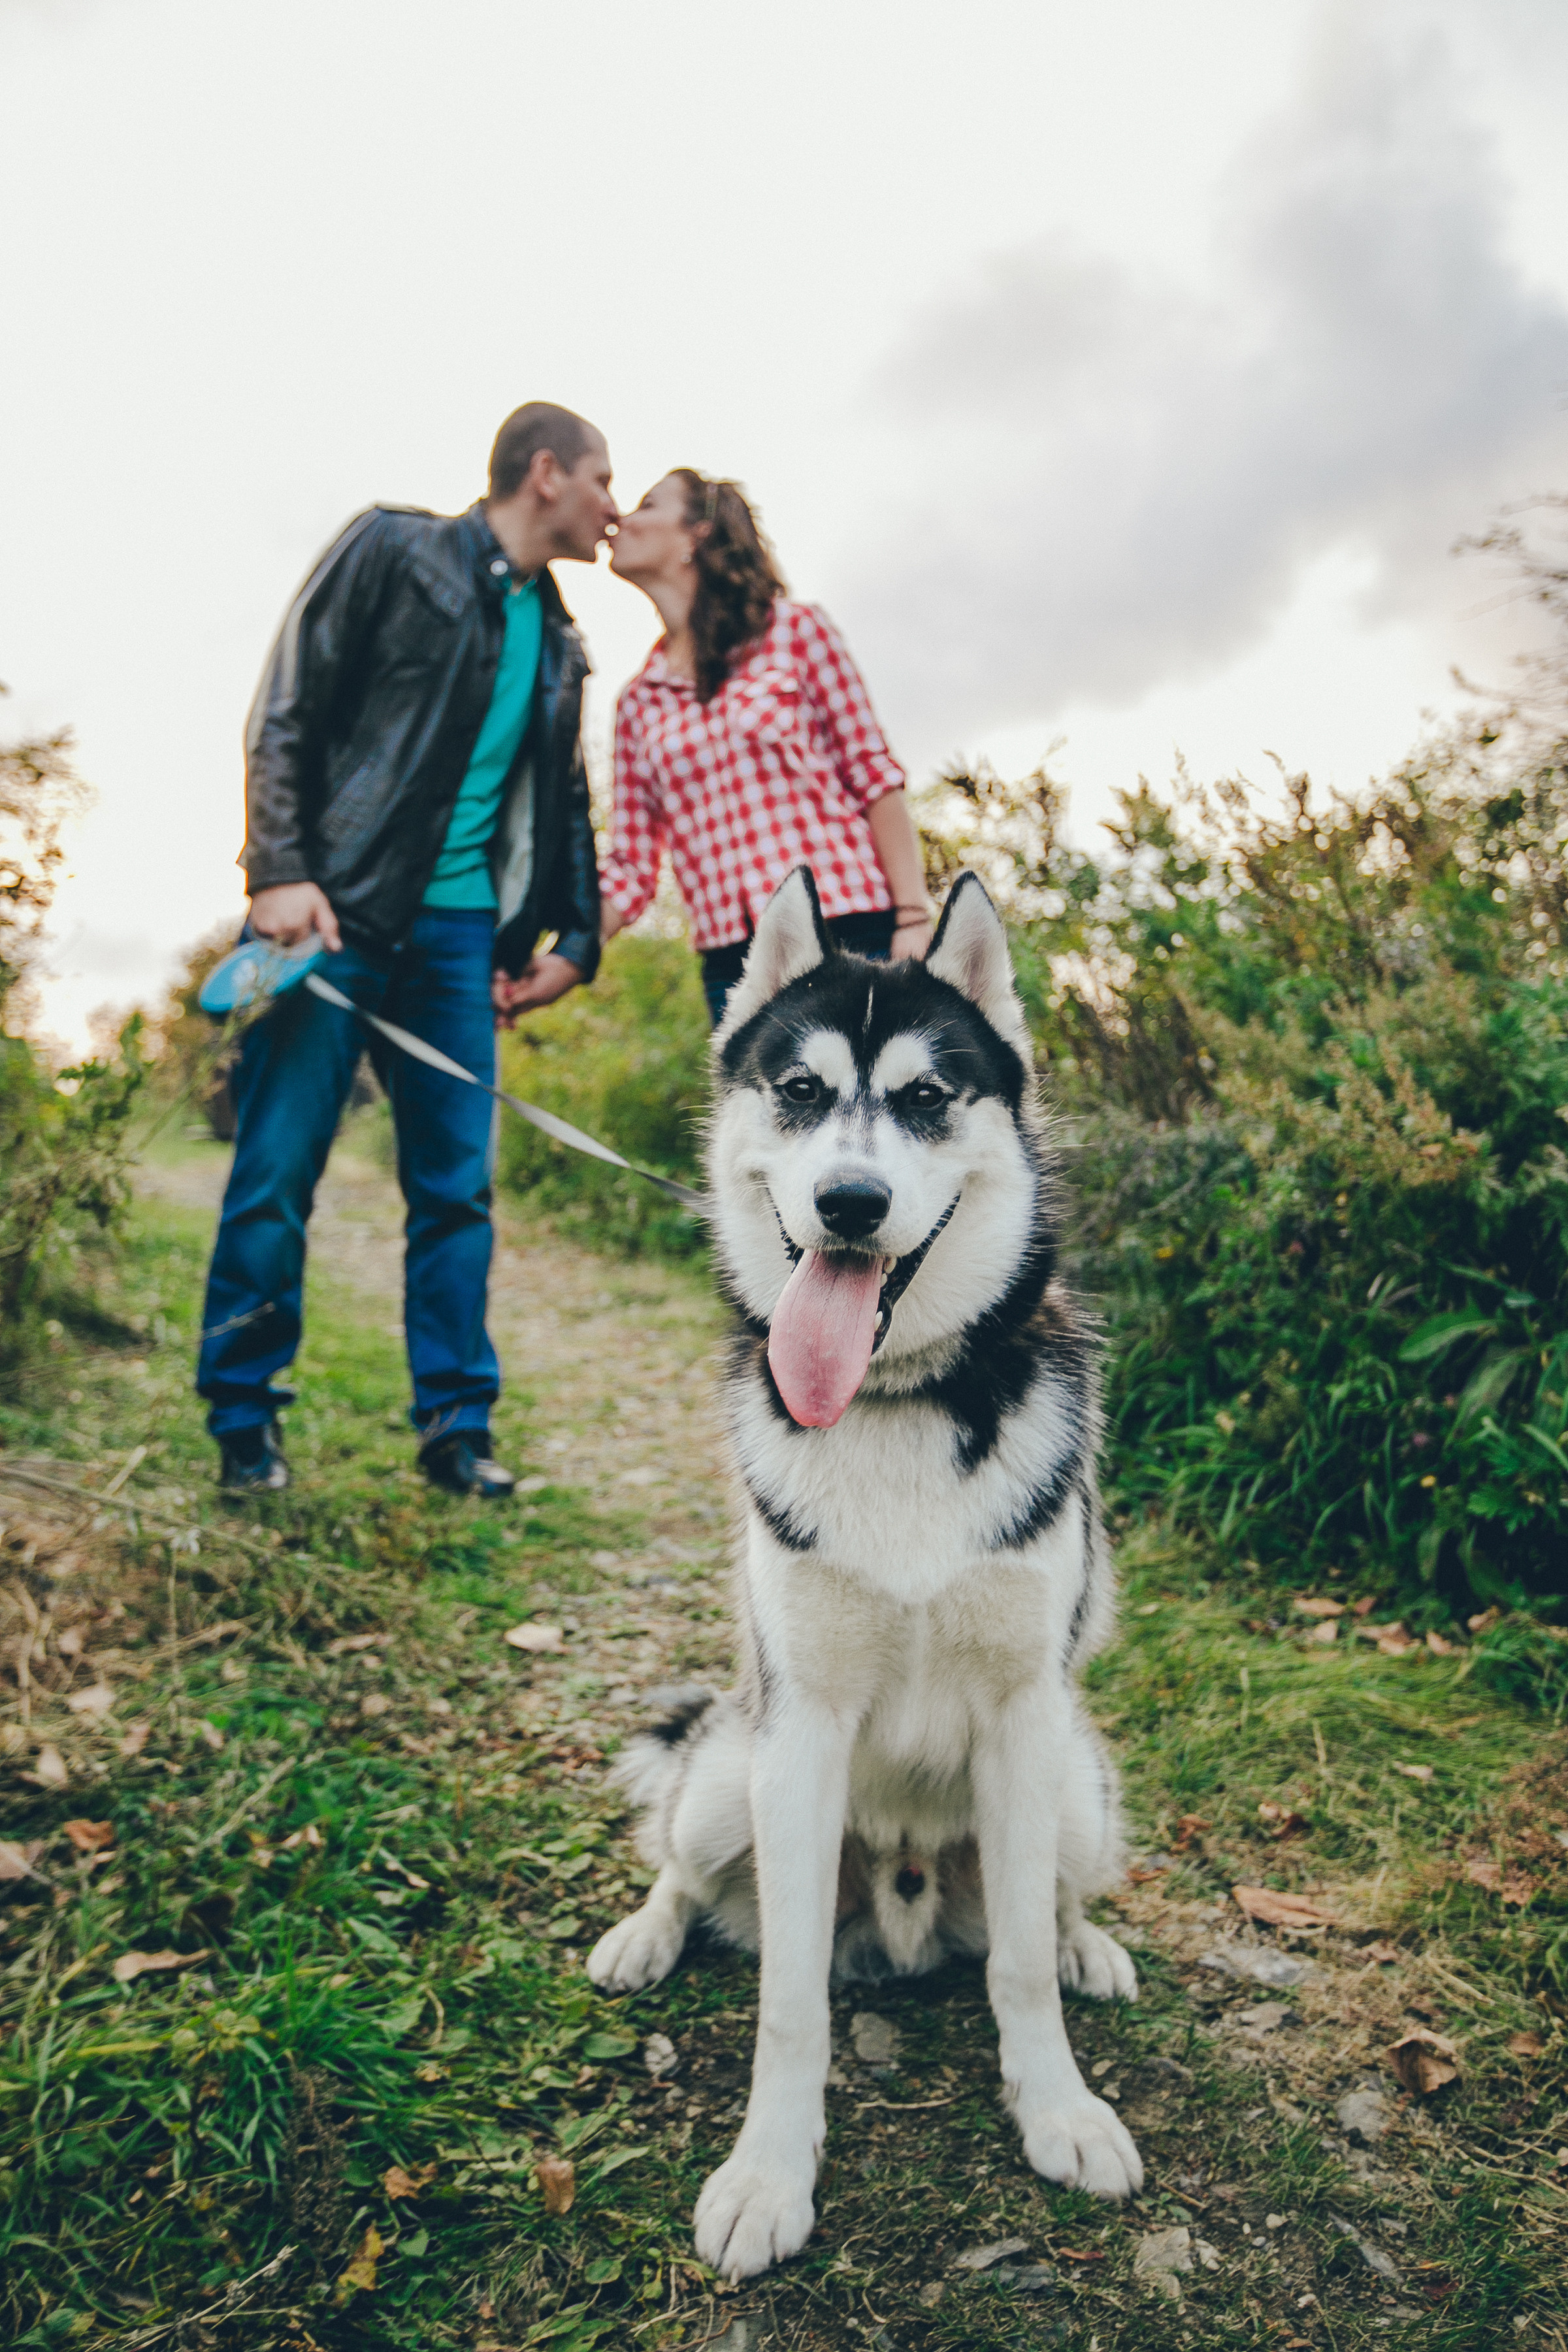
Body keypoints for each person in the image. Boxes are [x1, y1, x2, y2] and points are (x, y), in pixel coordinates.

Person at [197, 402, 615, 1498]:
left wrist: (577, 938)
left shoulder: (561, 640)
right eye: (602, 481)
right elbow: (287, 705)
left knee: (457, 1194)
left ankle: (456, 1430)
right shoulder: (393, 548)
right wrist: (278, 868)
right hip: (331, 916)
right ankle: (243, 1423)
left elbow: (565, 802)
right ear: (546, 474)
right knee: (277, 1169)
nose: (612, 509)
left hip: (461, 943)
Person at [598, 472, 931, 1024]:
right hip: (736, 966)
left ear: (698, 533)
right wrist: (565, 955)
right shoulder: (638, 701)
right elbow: (630, 866)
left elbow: (873, 774)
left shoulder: (796, 632)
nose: (622, 520)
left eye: (647, 506)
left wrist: (914, 918)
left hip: (849, 933)